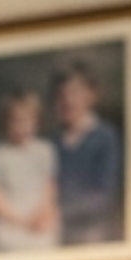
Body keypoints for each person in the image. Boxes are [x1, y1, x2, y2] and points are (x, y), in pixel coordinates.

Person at [52, 61, 124, 245]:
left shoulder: (105, 137)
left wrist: (60, 212)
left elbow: (104, 196)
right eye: (62, 95)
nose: (68, 101)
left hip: (92, 230)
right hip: (53, 230)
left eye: (74, 93)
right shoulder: (52, 143)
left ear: (92, 95)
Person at [0, 89, 58, 253]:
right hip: (9, 219)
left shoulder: (44, 150)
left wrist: (42, 211)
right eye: (15, 121)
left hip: (38, 216)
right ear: (4, 123)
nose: (21, 127)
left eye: (26, 121)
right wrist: (18, 221)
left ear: (36, 122)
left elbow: (48, 185)